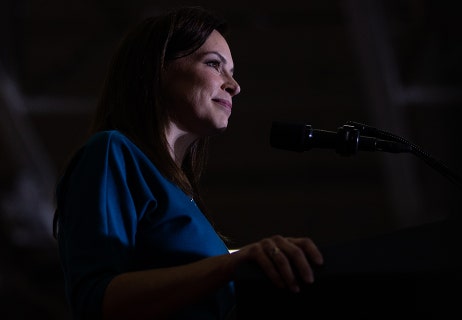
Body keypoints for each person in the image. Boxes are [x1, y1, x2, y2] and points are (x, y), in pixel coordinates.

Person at [52, 6, 324, 319]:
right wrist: (231, 265)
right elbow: (96, 301)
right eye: (214, 65)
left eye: (232, 72)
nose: (234, 85)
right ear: (157, 68)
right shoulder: (112, 152)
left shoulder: (182, 196)